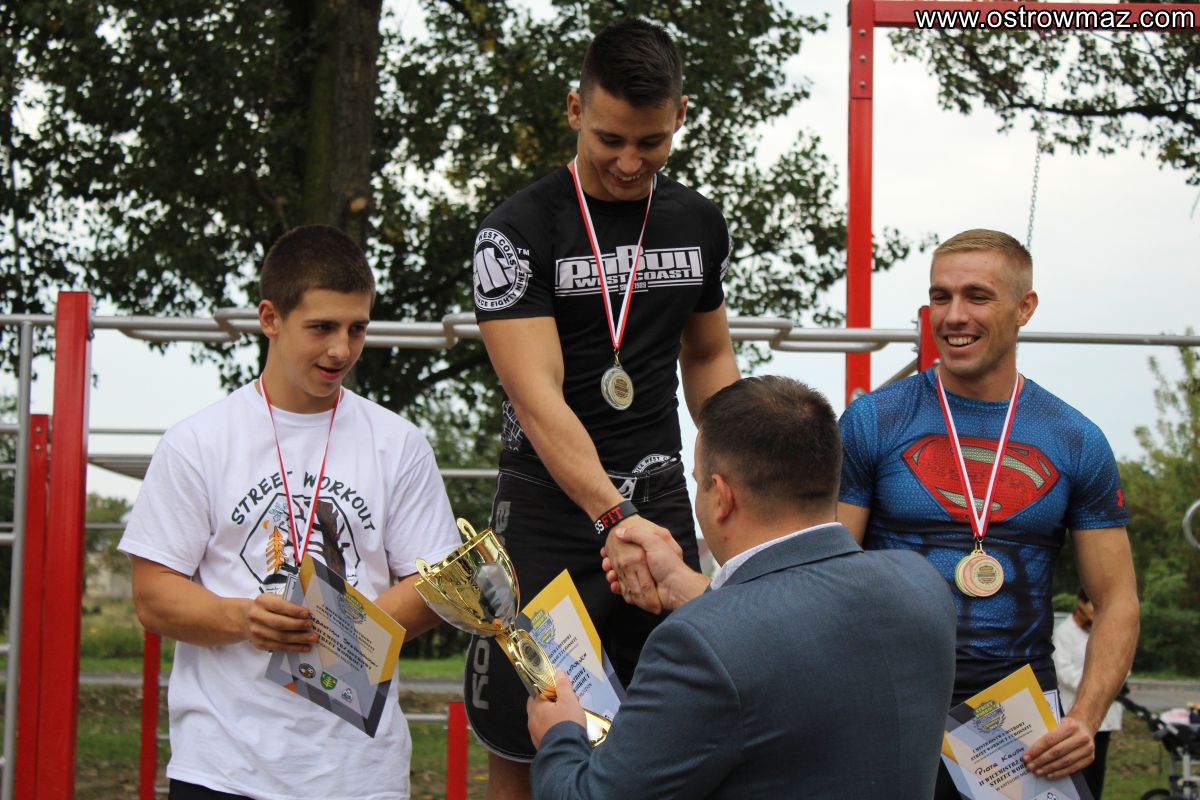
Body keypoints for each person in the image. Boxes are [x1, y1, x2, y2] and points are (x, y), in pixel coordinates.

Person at [469, 18, 739, 797]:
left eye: (651, 143)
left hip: (657, 503)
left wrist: (738, 478)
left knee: (673, 734)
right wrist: (612, 517)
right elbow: (536, 398)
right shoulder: (515, 232)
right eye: (610, 139)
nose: (628, 162)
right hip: (553, 508)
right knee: (527, 730)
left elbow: (707, 357)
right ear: (574, 109)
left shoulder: (697, 222)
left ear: (680, 115)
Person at [119, 224, 461, 800]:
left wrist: (341, 632)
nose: (342, 349)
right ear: (270, 318)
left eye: (357, 328)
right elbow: (152, 596)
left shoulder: (398, 443)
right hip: (223, 768)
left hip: (359, 775)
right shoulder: (197, 442)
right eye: (322, 327)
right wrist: (243, 618)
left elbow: (439, 584)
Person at [525, 375, 957, 799]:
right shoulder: (921, 586)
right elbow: (793, 633)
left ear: (721, 496)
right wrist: (689, 589)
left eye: (698, 481)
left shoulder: (696, 644)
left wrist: (559, 735)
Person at [837, 229, 1140, 795]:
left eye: (977, 296)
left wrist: (1085, 718)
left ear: (1025, 307)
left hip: (1017, 716)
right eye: (941, 296)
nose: (954, 316)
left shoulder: (1075, 438)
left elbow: (1117, 599)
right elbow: (824, 573)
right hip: (888, 697)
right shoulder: (873, 420)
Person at [1054, 589, 1125, 798]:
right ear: (1081, 603)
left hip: (1103, 715)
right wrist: (1099, 681)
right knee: (1076, 772)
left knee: (1096, 771)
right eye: (1091, 604)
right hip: (1075, 710)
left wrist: (1109, 681)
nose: (1094, 609)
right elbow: (1064, 671)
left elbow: (1121, 662)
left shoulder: (1106, 629)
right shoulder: (1065, 631)